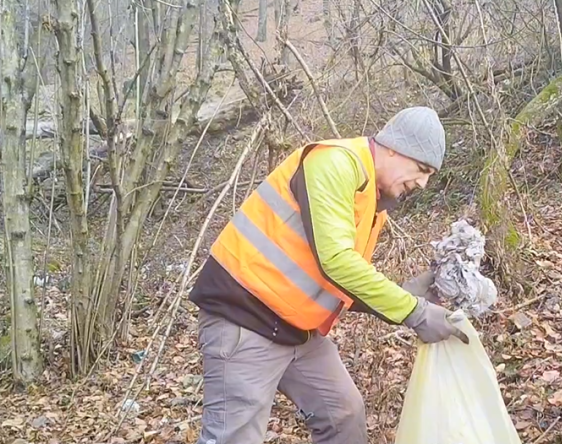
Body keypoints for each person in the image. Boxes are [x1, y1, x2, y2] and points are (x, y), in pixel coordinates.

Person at [188, 106, 467, 444]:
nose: (422, 183)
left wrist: (406, 292)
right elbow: (336, 261)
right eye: (421, 169)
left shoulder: (370, 196)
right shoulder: (335, 164)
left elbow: (337, 279)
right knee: (234, 437)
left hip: (296, 330)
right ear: (394, 148)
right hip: (243, 320)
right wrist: (415, 312)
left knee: (343, 416)